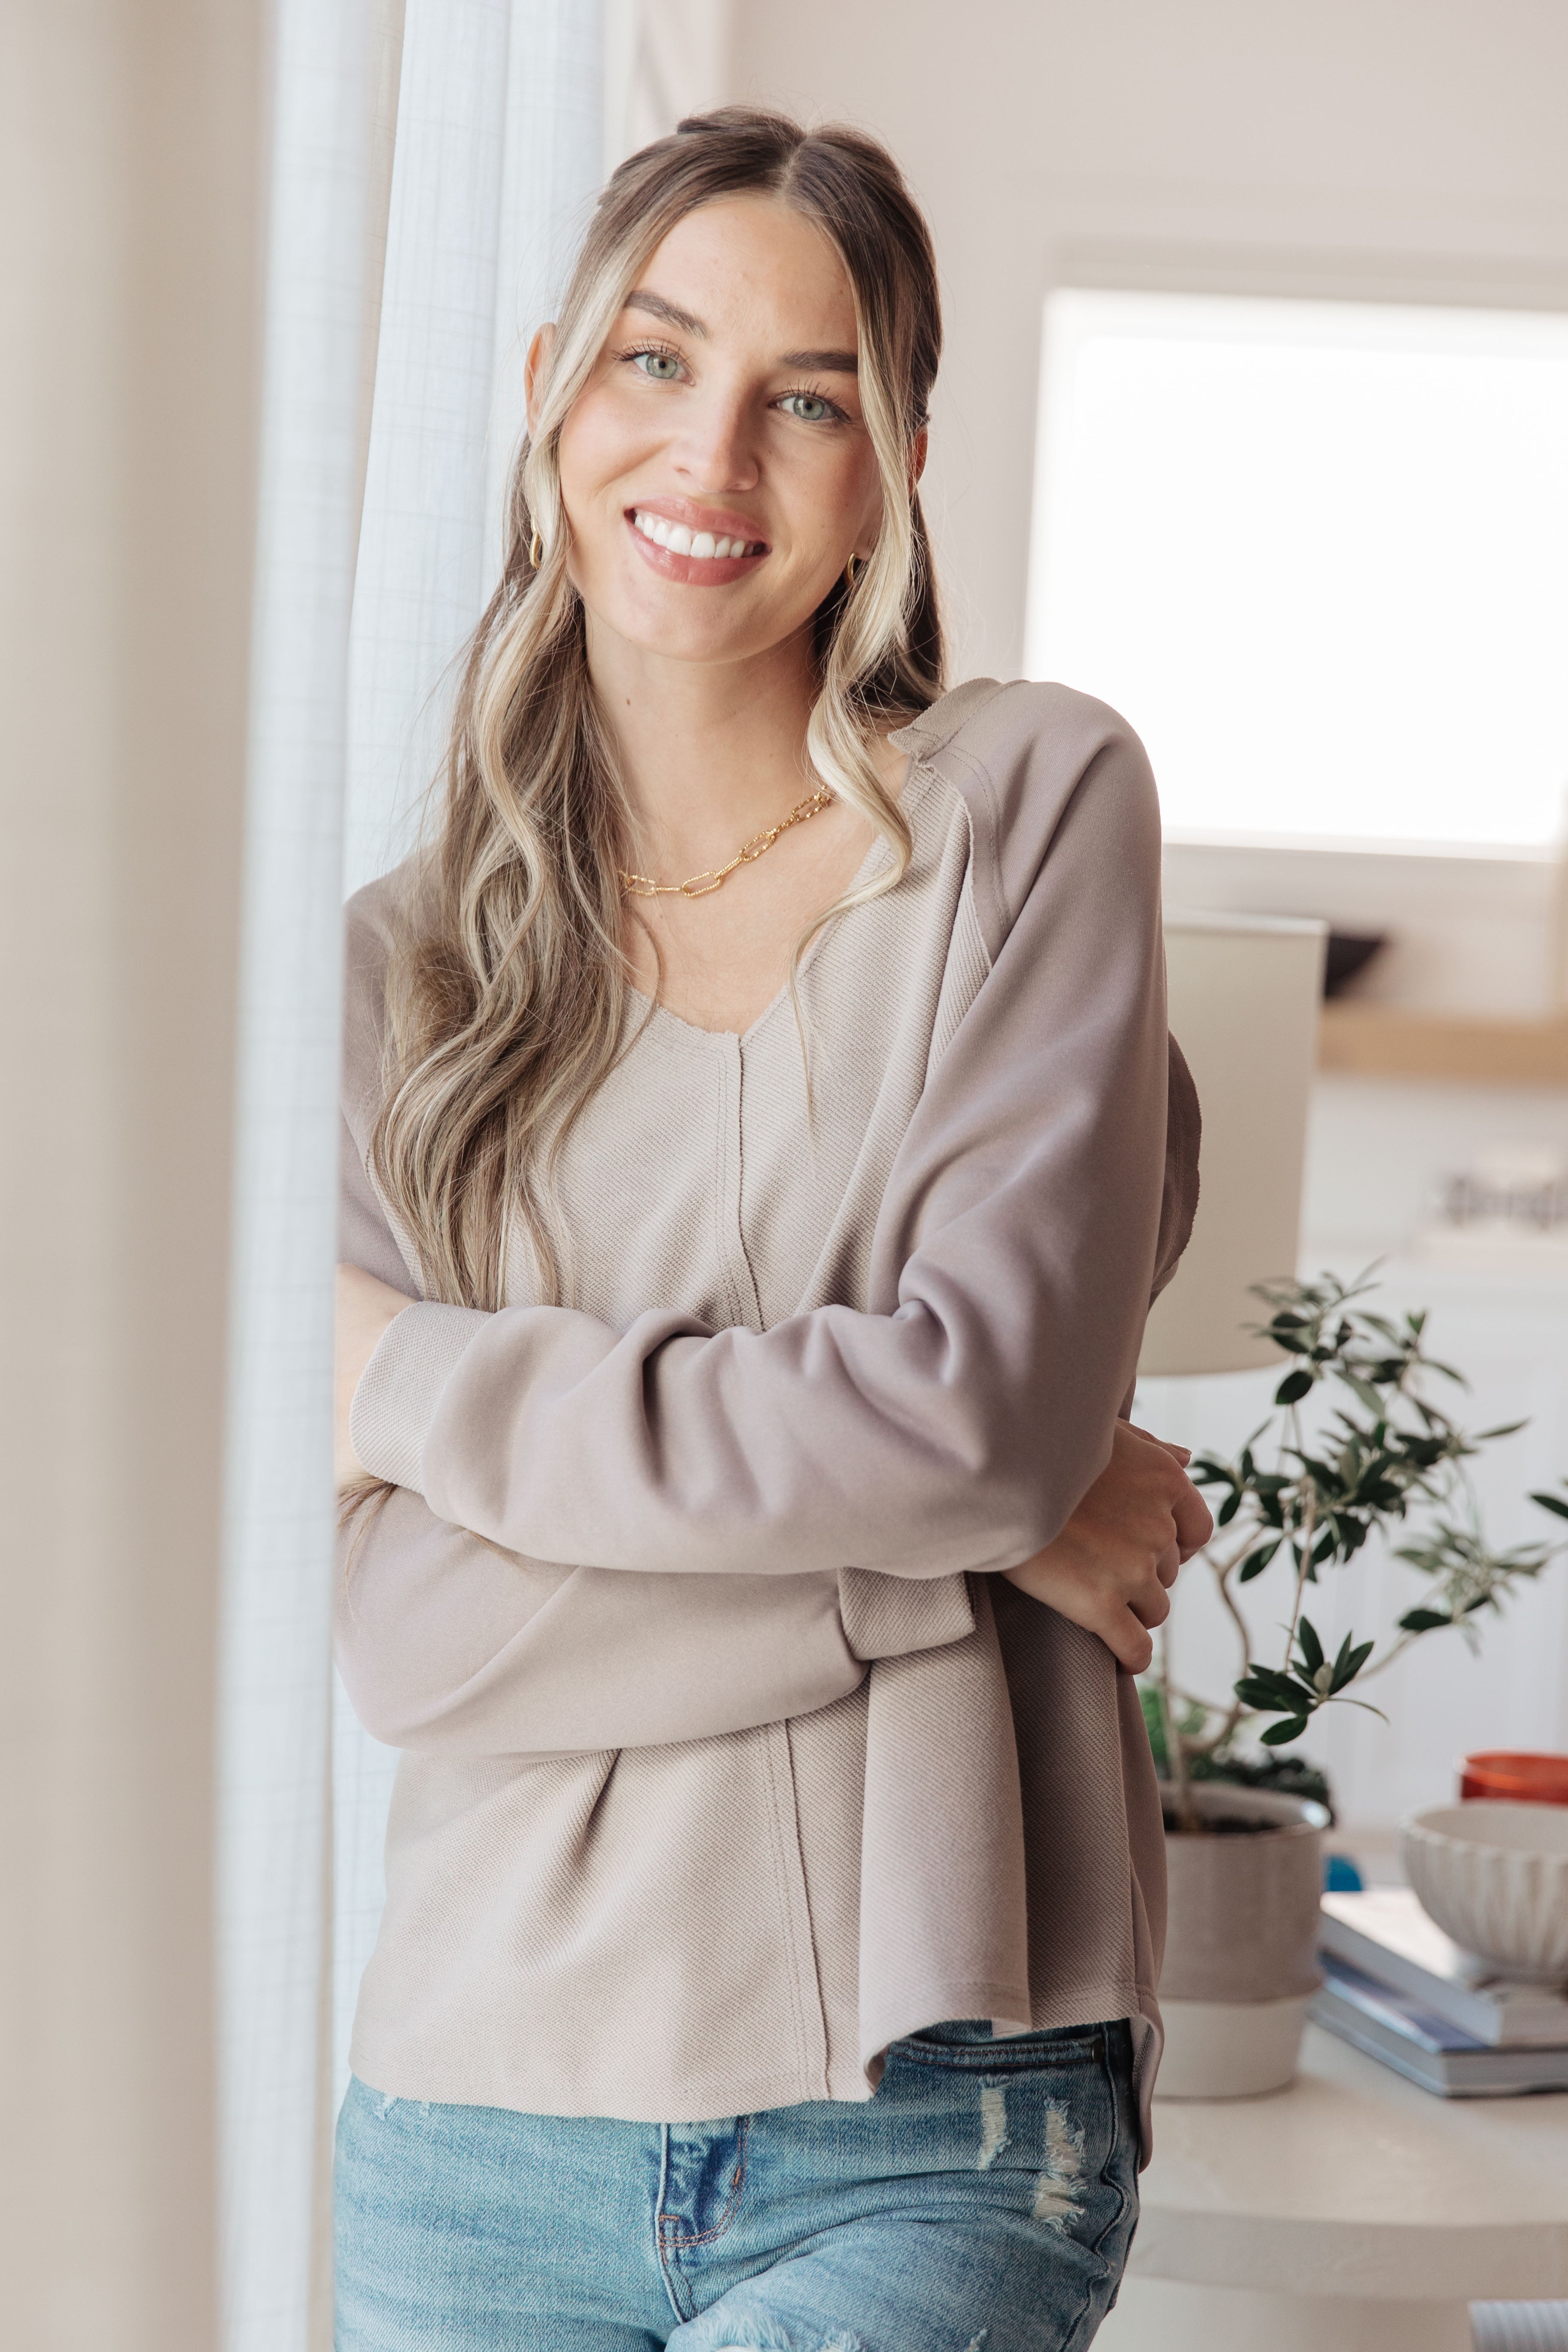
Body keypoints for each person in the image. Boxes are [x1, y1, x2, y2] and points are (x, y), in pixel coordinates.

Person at [331, 105, 1210, 2352]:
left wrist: (398, 1382)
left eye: (802, 395)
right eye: (653, 359)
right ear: (549, 390)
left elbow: (985, 1424)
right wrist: (957, 1529)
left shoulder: (1027, 809)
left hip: (931, 2095)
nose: (710, 450)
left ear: (893, 460)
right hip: (474, 2114)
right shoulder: (394, 973)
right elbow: (410, 1638)